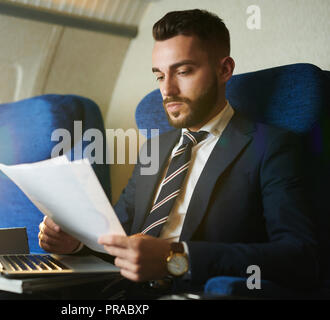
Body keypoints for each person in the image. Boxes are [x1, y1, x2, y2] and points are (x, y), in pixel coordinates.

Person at [38, 9, 319, 297]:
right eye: (159, 76)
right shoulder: (154, 148)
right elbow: (118, 237)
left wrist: (176, 258)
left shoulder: (271, 146)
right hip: (119, 292)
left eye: (183, 71)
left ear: (224, 70)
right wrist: (74, 243)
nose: (167, 90)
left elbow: (301, 257)